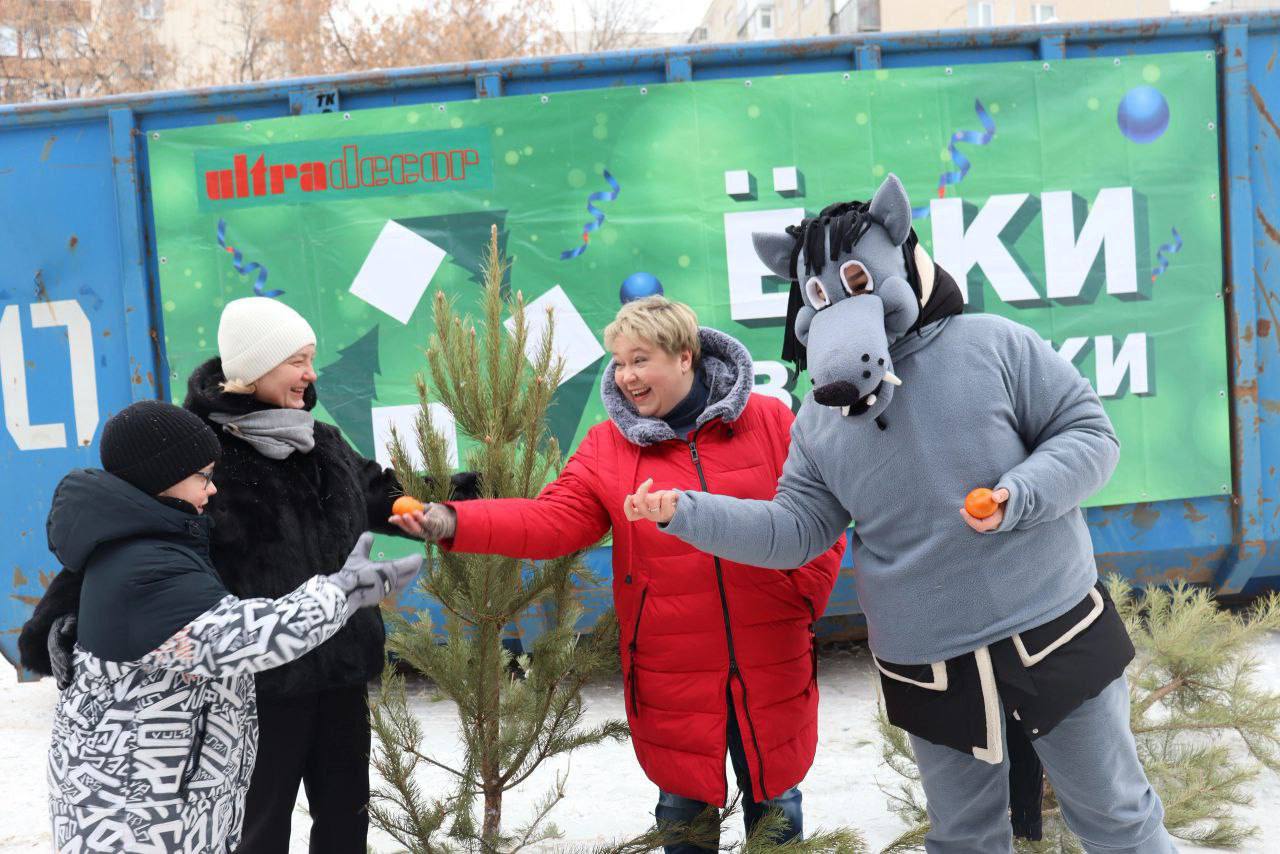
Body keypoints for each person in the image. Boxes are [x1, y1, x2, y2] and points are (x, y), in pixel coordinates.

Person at [624, 175, 1173, 853]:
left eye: (859, 279)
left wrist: (1018, 495)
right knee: (963, 840)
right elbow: (795, 530)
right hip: (931, 663)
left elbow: (1089, 435)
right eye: (820, 293)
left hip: (1052, 630)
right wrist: (688, 512)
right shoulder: (819, 420)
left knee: (1116, 817)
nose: (840, 303)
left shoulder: (992, 343)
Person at [393, 296, 845, 849]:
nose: (626, 375)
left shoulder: (769, 421)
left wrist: (802, 594)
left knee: (777, 809)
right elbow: (551, 522)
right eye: (619, 361)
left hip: (771, 652)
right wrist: (452, 521)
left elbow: (821, 514)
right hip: (671, 667)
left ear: (685, 357)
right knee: (683, 815)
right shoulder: (609, 447)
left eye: (640, 359)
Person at [39, 400, 421, 853]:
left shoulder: (154, 541)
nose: (213, 488)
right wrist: (342, 591)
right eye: (203, 475)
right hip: (141, 819)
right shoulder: (145, 562)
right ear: (161, 477)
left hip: (167, 800)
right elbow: (245, 638)